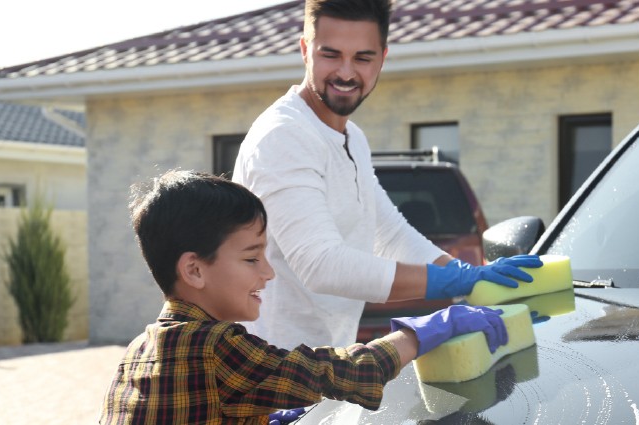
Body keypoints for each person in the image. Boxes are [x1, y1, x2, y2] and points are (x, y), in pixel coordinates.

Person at [232, 0, 543, 350]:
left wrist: (472, 280)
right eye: (330, 55)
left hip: (321, 366)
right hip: (268, 375)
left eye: (363, 58)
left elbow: (390, 233)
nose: (347, 73)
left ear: (382, 58)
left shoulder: (353, 139)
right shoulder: (284, 135)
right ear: (305, 50)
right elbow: (321, 265)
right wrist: (452, 280)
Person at [99, 169, 509, 424]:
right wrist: (422, 333)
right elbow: (336, 371)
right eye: (251, 258)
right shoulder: (213, 345)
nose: (269, 272)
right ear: (193, 269)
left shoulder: (140, 349)